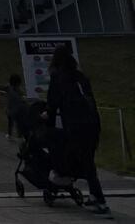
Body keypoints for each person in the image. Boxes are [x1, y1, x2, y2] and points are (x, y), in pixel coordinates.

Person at [45, 44, 110, 215]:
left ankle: (100, 200)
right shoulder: (80, 77)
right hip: (93, 123)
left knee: (83, 161)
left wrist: (47, 119)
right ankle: (95, 195)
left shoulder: (58, 77)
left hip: (76, 125)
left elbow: (53, 103)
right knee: (87, 159)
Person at [6, 73, 27, 140]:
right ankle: (19, 135)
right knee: (17, 123)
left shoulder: (9, 88)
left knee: (12, 123)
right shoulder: (19, 90)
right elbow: (23, 99)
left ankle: (10, 135)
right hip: (17, 110)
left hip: (11, 110)